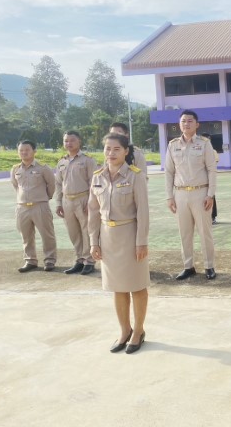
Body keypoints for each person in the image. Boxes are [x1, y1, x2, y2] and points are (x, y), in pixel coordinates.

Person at [88, 133, 149, 354]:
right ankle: (124, 330)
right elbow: (93, 212)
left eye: (116, 149)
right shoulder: (97, 177)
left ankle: (138, 331)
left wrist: (141, 242)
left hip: (130, 235)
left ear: (126, 152)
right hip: (107, 237)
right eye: (107, 148)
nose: (111, 153)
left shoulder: (135, 176)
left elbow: (143, 211)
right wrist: (94, 242)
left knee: (137, 285)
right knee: (117, 287)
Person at [165, 111, 217, 281]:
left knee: (205, 232)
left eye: (189, 121)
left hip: (200, 193)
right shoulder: (173, 145)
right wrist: (169, 197)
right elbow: (169, 172)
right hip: (180, 194)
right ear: (179, 124)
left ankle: (209, 266)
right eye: (183, 121)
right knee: (185, 233)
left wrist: (210, 195)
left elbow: (211, 170)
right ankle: (188, 266)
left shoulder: (204, 144)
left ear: (197, 124)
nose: (186, 124)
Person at [10, 140, 57, 273]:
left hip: (40, 206)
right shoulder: (15, 169)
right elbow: (16, 186)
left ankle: (49, 260)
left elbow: (51, 185)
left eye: (27, 150)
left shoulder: (43, 168)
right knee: (26, 236)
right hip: (22, 207)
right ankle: (30, 260)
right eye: (21, 150)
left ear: (34, 151)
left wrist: (44, 198)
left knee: (47, 235)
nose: (24, 152)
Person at [55, 130, 98, 275]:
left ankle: (89, 261)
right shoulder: (61, 162)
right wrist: (58, 203)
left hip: (83, 199)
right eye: (66, 141)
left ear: (79, 141)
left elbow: (94, 182)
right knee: (73, 232)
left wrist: (91, 202)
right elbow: (58, 184)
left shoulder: (88, 160)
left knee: (87, 231)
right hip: (67, 201)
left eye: (72, 140)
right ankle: (79, 259)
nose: (69, 143)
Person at [201, 132, 220, 224]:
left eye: (208, 139)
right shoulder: (197, 151)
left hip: (209, 179)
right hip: (198, 179)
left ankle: (213, 216)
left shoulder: (213, 152)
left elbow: (212, 166)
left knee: (211, 196)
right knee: (199, 198)